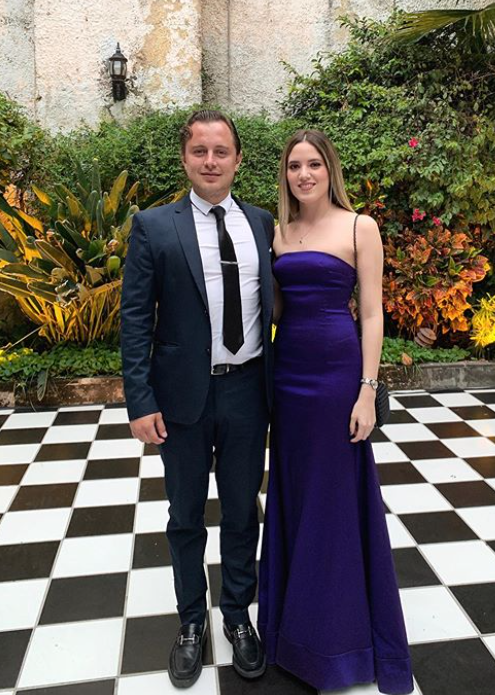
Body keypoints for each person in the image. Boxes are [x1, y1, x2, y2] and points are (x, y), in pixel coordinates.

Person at [120, 109, 274, 689]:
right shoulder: (154, 226)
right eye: (200, 151)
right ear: (185, 159)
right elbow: (135, 319)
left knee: (241, 512)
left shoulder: (262, 224)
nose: (211, 162)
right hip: (182, 398)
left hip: (247, 391)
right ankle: (191, 622)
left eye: (221, 151)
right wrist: (140, 400)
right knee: (185, 516)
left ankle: (237, 616)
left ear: (238, 159)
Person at [257, 130, 413, 694]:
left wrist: (367, 391)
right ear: (285, 174)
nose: (304, 174)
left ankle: (337, 642)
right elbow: (274, 308)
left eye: (314, 164)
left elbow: (371, 314)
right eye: (294, 166)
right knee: (295, 492)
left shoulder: (358, 227)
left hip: (336, 375)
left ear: (330, 170)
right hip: (288, 377)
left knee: (334, 497)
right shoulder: (278, 232)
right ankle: (291, 629)